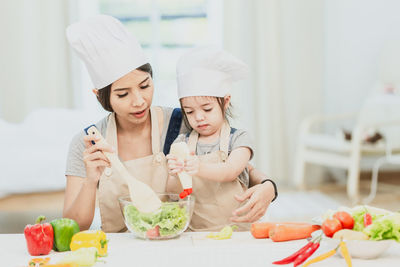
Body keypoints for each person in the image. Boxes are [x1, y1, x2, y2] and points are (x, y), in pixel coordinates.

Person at [63, 14, 277, 232]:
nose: (139, 101)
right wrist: (91, 180)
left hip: (176, 245)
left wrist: (268, 187)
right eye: (123, 94)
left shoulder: (181, 122)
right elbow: (74, 226)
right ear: (100, 95)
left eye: (145, 86)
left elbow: (239, 167)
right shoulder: (89, 143)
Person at [166, 46, 275, 231]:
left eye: (207, 109)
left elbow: (230, 171)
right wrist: (174, 173)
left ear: (225, 102)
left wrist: (198, 167)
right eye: (190, 112)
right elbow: (172, 193)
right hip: (195, 232)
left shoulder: (238, 139)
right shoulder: (181, 143)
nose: (199, 117)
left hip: (237, 231)